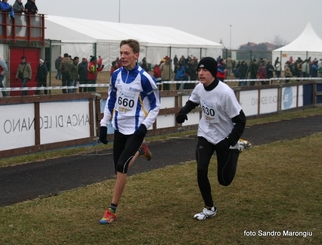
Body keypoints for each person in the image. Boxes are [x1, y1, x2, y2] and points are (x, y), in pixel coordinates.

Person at [175, 57, 246, 221]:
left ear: (213, 72)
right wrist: (182, 112)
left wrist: (229, 141)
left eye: (205, 70)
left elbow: (241, 121)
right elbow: (192, 101)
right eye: (199, 70)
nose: (201, 73)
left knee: (224, 180)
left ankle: (236, 148)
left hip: (225, 138)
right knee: (201, 170)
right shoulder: (199, 87)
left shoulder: (225, 93)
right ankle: (209, 208)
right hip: (205, 133)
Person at [98, 39, 161, 224]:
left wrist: (144, 126)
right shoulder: (116, 75)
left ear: (136, 55)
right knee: (118, 168)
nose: (123, 57)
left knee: (121, 167)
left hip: (136, 129)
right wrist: (104, 124)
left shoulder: (145, 78)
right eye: (121, 53)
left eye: (126, 53)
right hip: (119, 127)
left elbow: (156, 106)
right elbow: (111, 100)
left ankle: (111, 210)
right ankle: (141, 151)